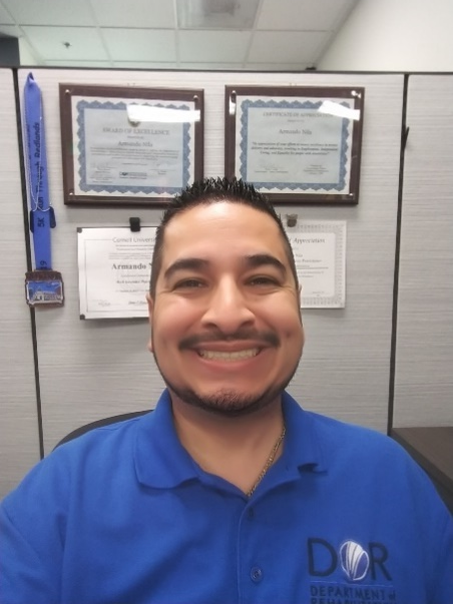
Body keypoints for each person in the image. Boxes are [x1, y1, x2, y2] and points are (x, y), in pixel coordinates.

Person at [0, 177, 452, 604]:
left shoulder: (393, 481)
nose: (230, 314)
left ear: (297, 304)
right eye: (191, 283)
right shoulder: (58, 499)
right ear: (152, 316)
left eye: (261, 280)